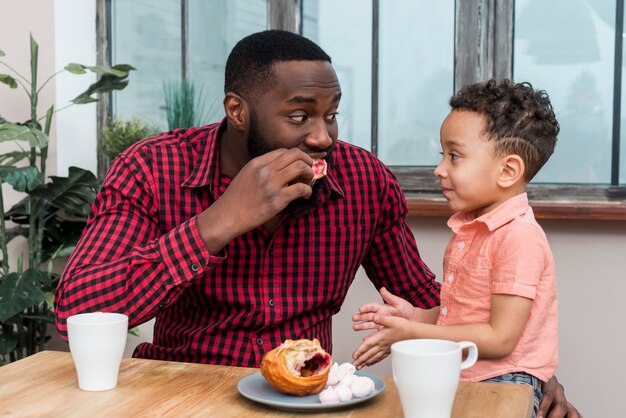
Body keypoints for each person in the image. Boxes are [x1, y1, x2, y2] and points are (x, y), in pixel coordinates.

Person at [54, 29, 440, 368]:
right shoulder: (151, 169)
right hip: (178, 388)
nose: (323, 137)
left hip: (300, 395)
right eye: (299, 116)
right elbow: (76, 311)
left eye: (331, 114)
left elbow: (428, 305)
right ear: (237, 111)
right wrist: (218, 223)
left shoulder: (365, 180)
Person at [351, 79, 582, 418]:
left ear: (508, 170)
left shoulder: (519, 237)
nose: (439, 169)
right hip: (465, 376)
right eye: (442, 155)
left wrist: (412, 333)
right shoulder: (471, 231)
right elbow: (458, 315)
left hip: (504, 383)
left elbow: (500, 338)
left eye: (454, 156)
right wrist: (413, 316)